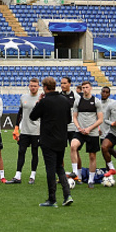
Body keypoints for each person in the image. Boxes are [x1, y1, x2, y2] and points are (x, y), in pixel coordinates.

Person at [29, 77, 73, 207]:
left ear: (45, 87)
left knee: (50, 169)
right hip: (61, 139)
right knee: (60, 167)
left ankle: (52, 199)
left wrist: (39, 101)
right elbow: (68, 119)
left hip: (48, 140)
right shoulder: (65, 100)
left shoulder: (45, 101)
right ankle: (67, 195)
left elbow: (33, 116)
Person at [7, 78, 40, 184]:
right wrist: (16, 127)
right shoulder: (23, 97)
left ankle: (32, 175)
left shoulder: (41, 99)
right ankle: (18, 176)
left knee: (34, 152)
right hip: (25, 130)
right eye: (31, 85)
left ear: (38, 86)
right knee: (21, 152)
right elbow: (20, 113)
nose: (33, 87)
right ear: (29, 86)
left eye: (35, 85)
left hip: (37, 131)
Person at [70, 81, 104, 188]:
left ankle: (91, 180)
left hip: (92, 132)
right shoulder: (78, 101)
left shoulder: (96, 101)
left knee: (92, 156)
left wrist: (89, 128)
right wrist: (79, 128)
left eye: (87, 87)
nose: (85, 89)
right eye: (83, 87)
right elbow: (74, 117)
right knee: (73, 145)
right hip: (80, 131)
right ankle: (76, 173)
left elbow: (100, 119)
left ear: (91, 88)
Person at [60, 77, 82, 181]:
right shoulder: (59, 96)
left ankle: (77, 174)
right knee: (60, 152)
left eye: (64, 83)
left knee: (75, 150)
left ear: (69, 84)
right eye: (61, 83)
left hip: (73, 127)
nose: (62, 85)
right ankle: (62, 175)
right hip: (61, 128)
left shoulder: (76, 97)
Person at [99, 87, 116, 164]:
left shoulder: (113, 103)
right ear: (101, 92)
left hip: (111, 131)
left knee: (107, 148)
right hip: (102, 130)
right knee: (105, 152)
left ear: (109, 94)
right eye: (103, 91)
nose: (104, 93)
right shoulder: (97, 103)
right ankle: (109, 171)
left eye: (107, 92)